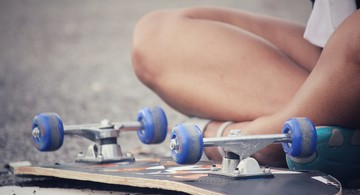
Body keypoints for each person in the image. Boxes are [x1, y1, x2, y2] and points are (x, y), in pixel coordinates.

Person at [131, 1, 360, 168]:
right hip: (333, 53)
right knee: (155, 34)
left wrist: (252, 134)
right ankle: (318, 122)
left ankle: (262, 139)